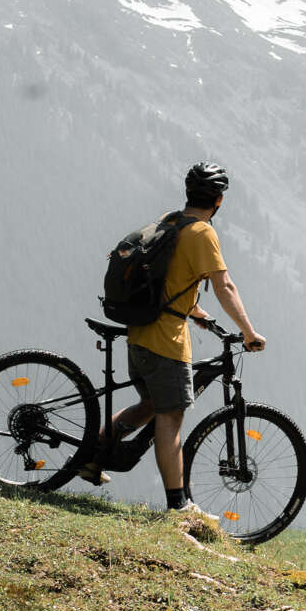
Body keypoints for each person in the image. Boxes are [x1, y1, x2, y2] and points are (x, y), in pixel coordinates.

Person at [80, 162, 266, 514]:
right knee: (171, 417)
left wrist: (196, 312)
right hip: (167, 341)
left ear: (188, 193)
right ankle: (178, 505)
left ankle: (91, 456)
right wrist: (249, 332)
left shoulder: (171, 221)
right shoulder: (202, 233)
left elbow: (166, 279)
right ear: (219, 201)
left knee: (149, 404)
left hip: (141, 334)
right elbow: (224, 285)